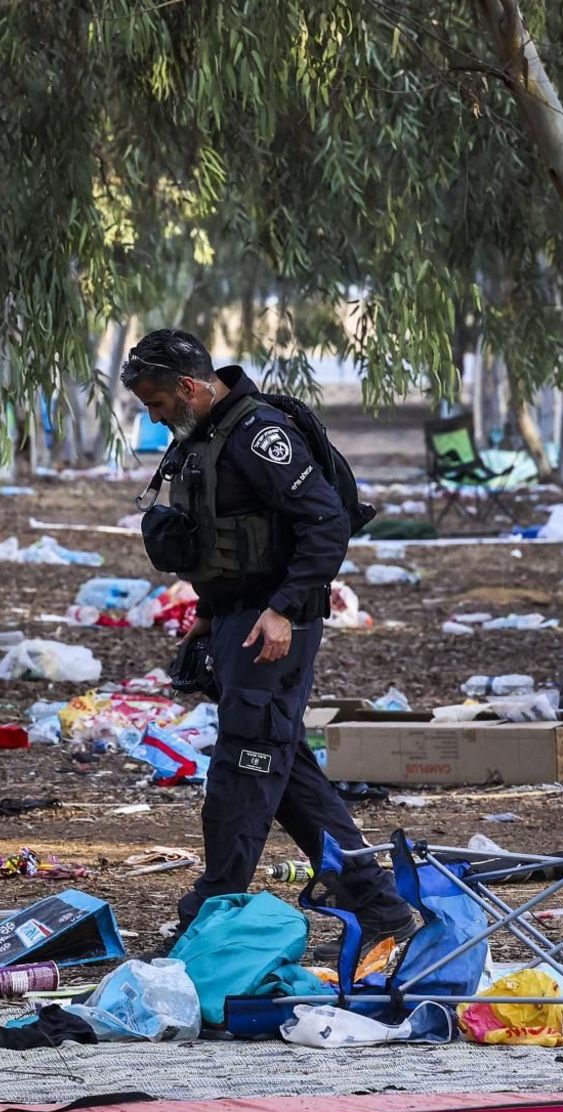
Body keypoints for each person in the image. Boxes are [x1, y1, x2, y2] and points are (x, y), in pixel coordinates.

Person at [123, 327, 414, 948]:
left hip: (276, 626)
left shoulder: (260, 434)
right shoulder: (202, 435)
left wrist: (282, 610)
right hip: (237, 619)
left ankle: (213, 908)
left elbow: (325, 523)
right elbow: (223, 538)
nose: (154, 417)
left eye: (158, 403)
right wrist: (208, 611)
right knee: (284, 767)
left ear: (189, 386)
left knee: (244, 766)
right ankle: (379, 904)